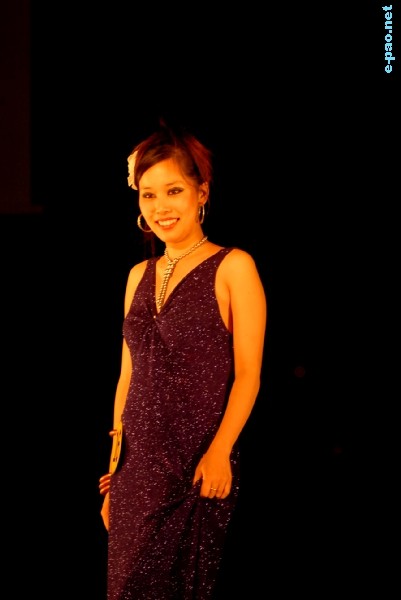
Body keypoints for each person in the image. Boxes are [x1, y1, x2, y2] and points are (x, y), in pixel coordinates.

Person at [99, 121, 267, 600]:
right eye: (148, 195)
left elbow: (249, 374)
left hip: (195, 464)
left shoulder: (234, 266)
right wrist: (115, 469)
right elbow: (128, 376)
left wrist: (220, 451)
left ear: (201, 192)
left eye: (173, 190)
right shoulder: (137, 275)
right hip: (135, 472)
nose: (160, 207)